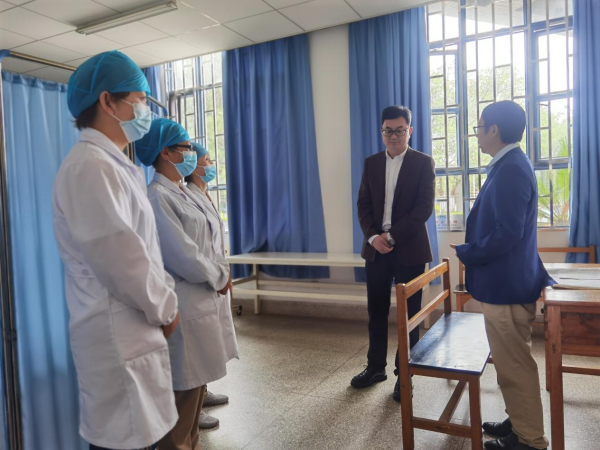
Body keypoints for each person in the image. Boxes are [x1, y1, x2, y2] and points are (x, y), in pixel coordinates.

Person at [53, 51, 180, 450]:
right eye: (139, 100)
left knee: (139, 436)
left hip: (131, 332)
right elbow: (122, 260)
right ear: (108, 101)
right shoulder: (90, 167)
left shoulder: (112, 164)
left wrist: (164, 300)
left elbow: (141, 250)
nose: (144, 110)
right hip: (116, 336)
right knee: (122, 441)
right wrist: (166, 308)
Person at [452, 101, 552, 450]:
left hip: (506, 285)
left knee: (514, 365)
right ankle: (519, 422)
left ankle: (529, 440)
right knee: (512, 361)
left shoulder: (510, 169)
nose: (477, 134)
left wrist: (469, 252)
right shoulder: (509, 163)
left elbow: (506, 232)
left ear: (494, 130)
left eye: (480, 127)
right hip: (509, 281)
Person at [136, 119, 238, 449]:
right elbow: (183, 253)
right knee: (181, 406)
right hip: (185, 302)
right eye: (186, 148)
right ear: (166, 153)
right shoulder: (157, 196)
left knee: (193, 403)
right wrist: (219, 276)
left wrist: (220, 273)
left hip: (202, 300)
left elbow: (207, 242)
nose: (192, 153)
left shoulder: (182, 191)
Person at [353, 105, 435, 402]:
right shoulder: (372, 163)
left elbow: (423, 208)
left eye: (400, 130)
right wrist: (374, 237)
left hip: (409, 247)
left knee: (409, 315)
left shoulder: (423, 163)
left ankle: (405, 375)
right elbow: (363, 205)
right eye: (388, 130)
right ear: (382, 131)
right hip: (376, 250)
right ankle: (375, 368)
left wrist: (392, 235)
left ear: (409, 131)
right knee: (376, 311)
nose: (393, 136)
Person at [184, 143, 233, 430]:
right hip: (201, 280)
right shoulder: (187, 195)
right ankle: (194, 406)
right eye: (207, 159)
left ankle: (203, 391)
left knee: (209, 341)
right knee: (197, 345)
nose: (212, 164)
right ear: (194, 166)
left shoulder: (204, 193)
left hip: (215, 276)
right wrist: (216, 274)